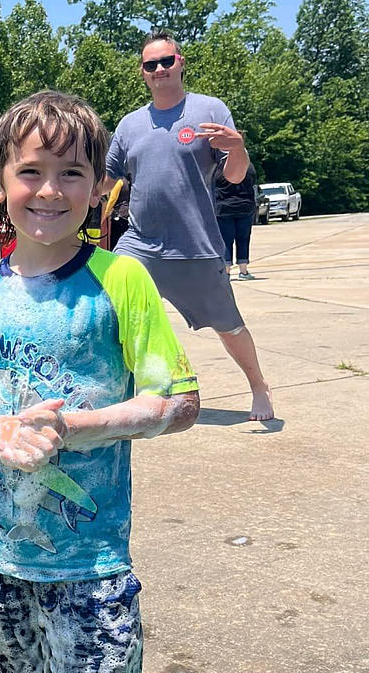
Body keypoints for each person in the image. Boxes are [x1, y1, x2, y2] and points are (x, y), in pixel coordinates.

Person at [0, 91, 200, 673]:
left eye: (72, 173)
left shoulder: (121, 279)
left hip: (91, 564)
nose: (50, 190)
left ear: (100, 185)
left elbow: (177, 402)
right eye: (30, 172)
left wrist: (77, 428)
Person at [105, 31, 274, 421]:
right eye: (151, 64)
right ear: (142, 72)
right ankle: (113, 391)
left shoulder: (209, 110)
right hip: (140, 244)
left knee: (228, 326)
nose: (159, 69)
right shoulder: (130, 125)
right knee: (107, 307)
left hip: (195, 245)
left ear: (180, 63)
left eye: (167, 61)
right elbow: (105, 179)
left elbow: (234, 176)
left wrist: (237, 147)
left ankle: (259, 386)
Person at [215, 161, 258, 280]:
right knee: (243, 239)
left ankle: (226, 271)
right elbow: (253, 182)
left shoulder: (219, 169)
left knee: (225, 240)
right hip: (245, 206)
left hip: (224, 208)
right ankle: (243, 271)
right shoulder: (248, 166)